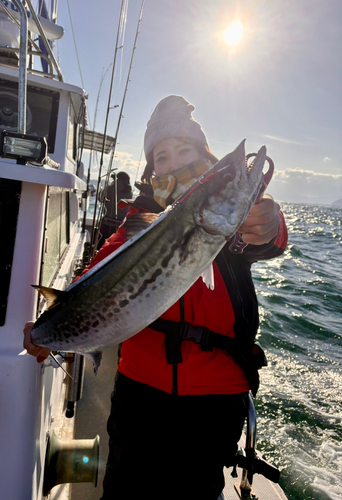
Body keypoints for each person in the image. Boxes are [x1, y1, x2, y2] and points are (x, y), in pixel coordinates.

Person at [24, 95, 288, 500]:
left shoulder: (234, 227)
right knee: (126, 487)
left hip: (213, 400)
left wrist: (268, 221)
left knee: (197, 490)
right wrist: (49, 329)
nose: (175, 162)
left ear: (206, 154)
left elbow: (267, 239)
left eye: (185, 149)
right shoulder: (136, 220)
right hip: (140, 395)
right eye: (162, 156)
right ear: (151, 170)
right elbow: (96, 275)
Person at [97, 171, 132, 249]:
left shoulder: (111, 188)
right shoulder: (129, 192)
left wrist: (107, 187)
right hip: (120, 225)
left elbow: (100, 198)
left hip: (106, 223)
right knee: (112, 248)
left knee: (99, 242)